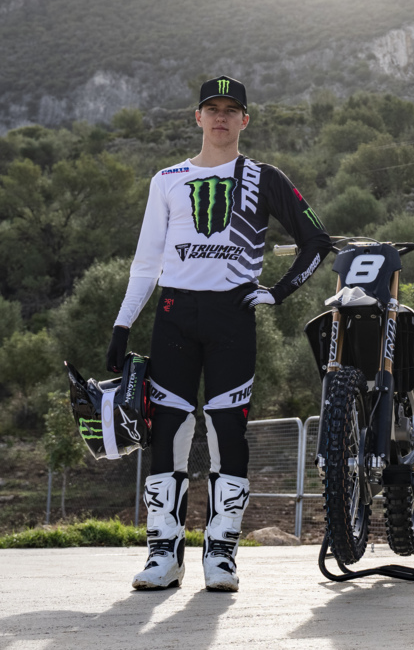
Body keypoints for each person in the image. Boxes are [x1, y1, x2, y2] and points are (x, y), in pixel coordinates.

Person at [106, 76, 332, 591]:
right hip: (174, 313)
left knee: (228, 432)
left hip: (233, 316)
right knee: (168, 431)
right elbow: (145, 263)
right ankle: (164, 554)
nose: (222, 117)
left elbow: (317, 241)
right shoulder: (167, 179)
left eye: (232, 109)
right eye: (213, 108)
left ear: (245, 120)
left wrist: (277, 292)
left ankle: (222, 554)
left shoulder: (263, 177)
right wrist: (122, 325)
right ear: (198, 117)